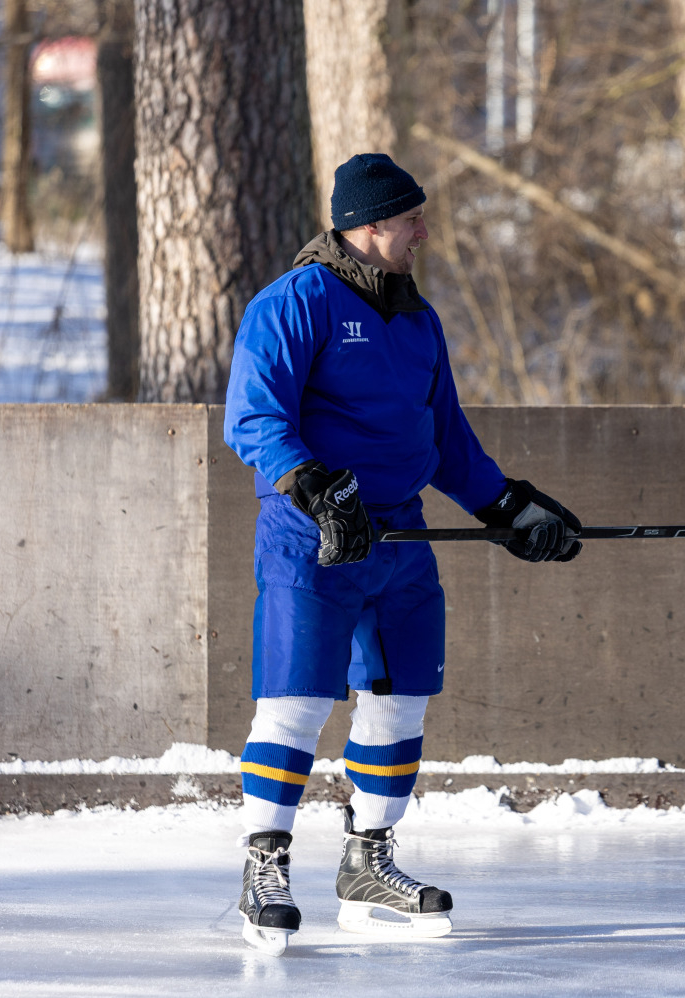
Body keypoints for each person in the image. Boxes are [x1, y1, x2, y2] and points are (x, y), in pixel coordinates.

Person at [222, 153, 581, 955]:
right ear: (371, 224)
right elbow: (253, 418)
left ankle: (368, 862)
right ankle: (264, 866)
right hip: (312, 538)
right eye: (412, 217)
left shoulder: (419, 319)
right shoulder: (293, 303)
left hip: (402, 536)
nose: (424, 230)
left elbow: (448, 440)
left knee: (399, 699)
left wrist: (510, 508)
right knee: (297, 700)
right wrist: (315, 489)